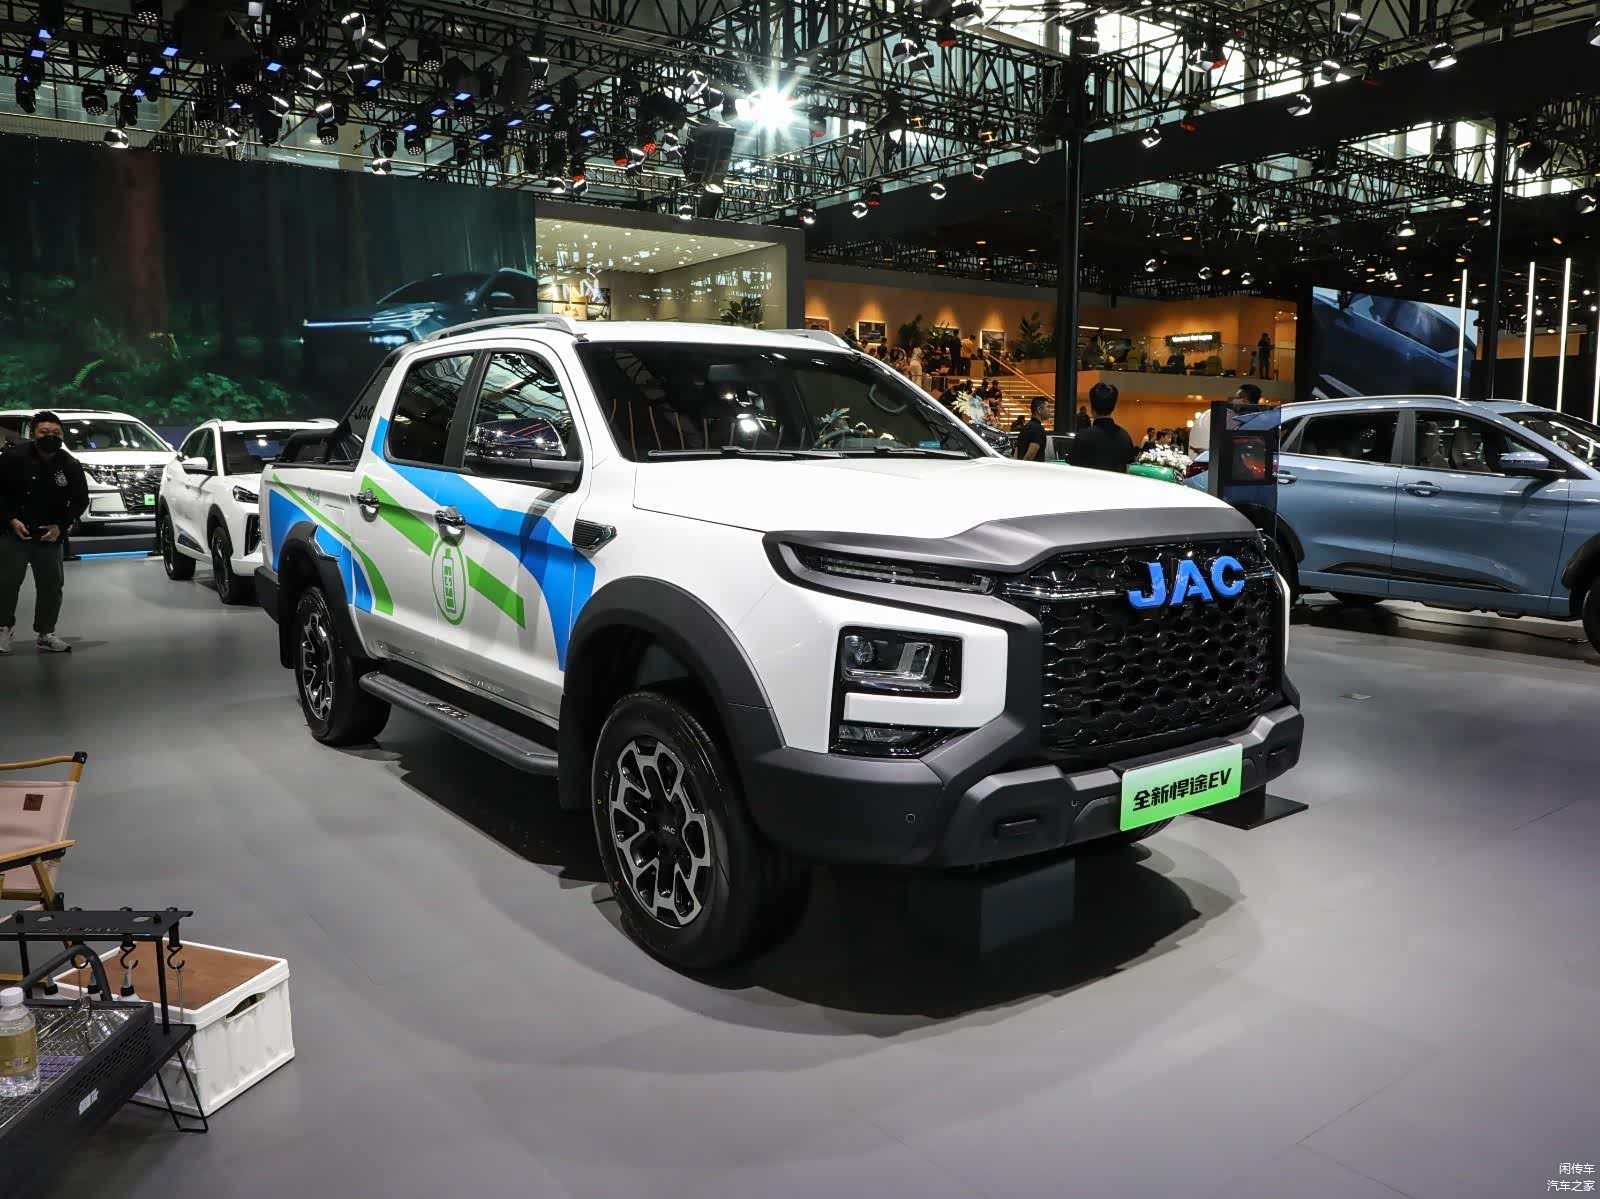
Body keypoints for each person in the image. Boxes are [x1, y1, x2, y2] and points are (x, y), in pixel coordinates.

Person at [0, 411, 88, 654]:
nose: (51, 436)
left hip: (50, 534)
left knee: (51, 585)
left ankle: (46, 633)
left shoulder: (69, 464)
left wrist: (61, 526)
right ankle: (3, 628)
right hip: (14, 531)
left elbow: (80, 500)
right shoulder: (12, 458)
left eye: (56, 433)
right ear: (33, 434)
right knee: (6, 583)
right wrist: (10, 519)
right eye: (45, 432)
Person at [1067, 382, 1137, 473]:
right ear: (1113, 408)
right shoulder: (1125, 437)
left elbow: (1072, 466)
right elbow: (1129, 467)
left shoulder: (1083, 436)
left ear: (1092, 409)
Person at [1017, 396, 1050, 462]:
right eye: (1047, 407)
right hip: (1032, 468)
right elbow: (1029, 456)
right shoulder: (1037, 429)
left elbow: (1017, 452)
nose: (1049, 410)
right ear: (1039, 409)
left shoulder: (1025, 427)